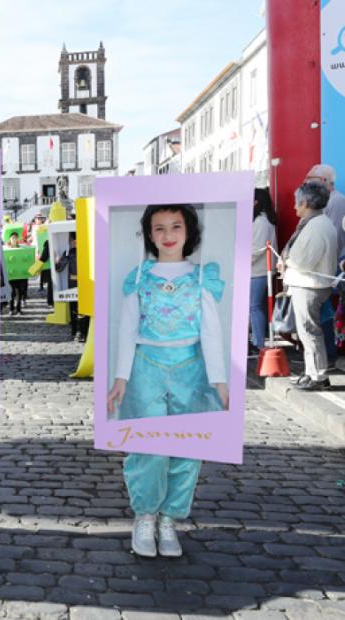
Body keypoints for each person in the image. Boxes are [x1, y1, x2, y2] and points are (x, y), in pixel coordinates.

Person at [106, 203, 227, 558]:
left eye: (176, 226)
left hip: (191, 369)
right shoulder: (140, 276)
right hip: (146, 368)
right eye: (159, 228)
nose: (168, 235)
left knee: (188, 449)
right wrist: (120, 377)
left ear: (189, 232)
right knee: (148, 446)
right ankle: (145, 515)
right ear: (148, 234)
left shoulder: (203, 276)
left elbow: (212, 331)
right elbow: (128, 329)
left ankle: (170, 519)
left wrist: (219, 380)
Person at [278, 181, 338, 391]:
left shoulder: (315, 226)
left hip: (309, 285)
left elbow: (303, 261)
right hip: (310, 284)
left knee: (309, 331)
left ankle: (318, 375)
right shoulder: (317, 222)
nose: (295, 207)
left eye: (297, 203)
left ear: (305, 202)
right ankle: (312, 371)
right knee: (307, 331)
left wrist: (286, 260)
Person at [250, 188, 278, 352]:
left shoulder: (260, 221)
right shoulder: (264, 219)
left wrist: (241, 262)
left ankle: (259, 343)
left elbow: (256, 249)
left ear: (256, 202)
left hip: (257, 270)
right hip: (260, 270)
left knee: (254, 306)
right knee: (256, 306)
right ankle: (257, 340)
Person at [57, 232, 89, 342]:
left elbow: (59, 268)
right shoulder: (70, 252)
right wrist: (58, 259)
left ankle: (81, 332)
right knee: (75, 309)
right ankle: (77, 331)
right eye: (73, 240)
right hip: (75, 283)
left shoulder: (85, 251)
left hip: (83, 283)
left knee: (82, 309)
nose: (74, 242)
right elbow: (59, 268)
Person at [4, 232, 29, 315]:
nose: (14, 239)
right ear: (10, 239)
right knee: (11, 292)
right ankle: (11, 309)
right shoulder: (6, 249)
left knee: (19, 293)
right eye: (12, 238)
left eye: (15, 238)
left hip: (20, 275)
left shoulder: (21, 248)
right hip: (11, 275)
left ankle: (18, 309)